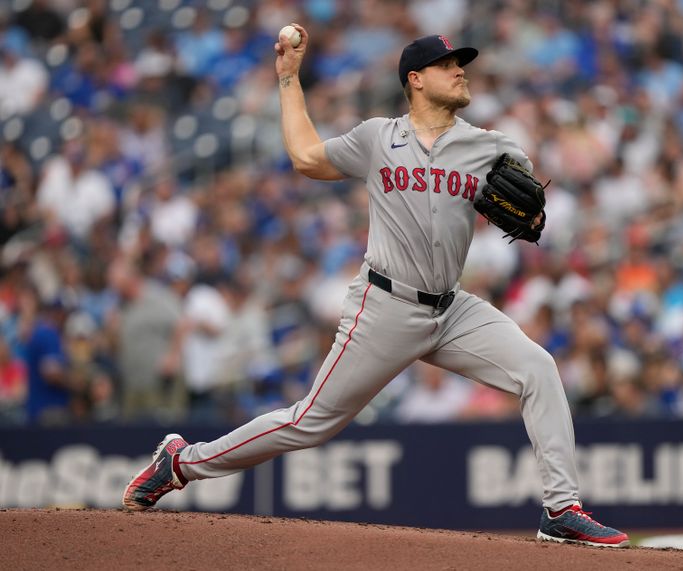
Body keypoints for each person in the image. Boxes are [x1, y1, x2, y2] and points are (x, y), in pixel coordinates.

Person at [123, 27, 629, 548]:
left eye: (462, 63)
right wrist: (289, 79)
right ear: (416, 80)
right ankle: (180, 462)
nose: (461, 70)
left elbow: (529, 215)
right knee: (311, 422)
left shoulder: (491, 148)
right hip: (385, 305)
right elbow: (305, 156)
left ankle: (561, 510)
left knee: (537, 368)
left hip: (452, 310)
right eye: (448, 64)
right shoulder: (377, 138)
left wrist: (533, 219)